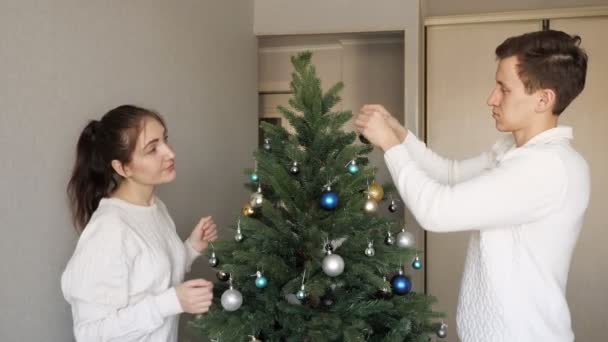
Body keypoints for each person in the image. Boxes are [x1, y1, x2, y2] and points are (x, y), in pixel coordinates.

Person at [355, 30, 589, 342]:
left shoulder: (546, 167)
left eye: (504, 89)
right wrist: (399, 135)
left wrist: (388, 145)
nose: (491, 98)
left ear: (543, 99)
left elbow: (435, 211)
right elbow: (449, 174)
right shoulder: (512, 152)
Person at [61, 105, 217, 341]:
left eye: (165, 140)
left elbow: (154, 277)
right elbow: (90, 334)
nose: (170, 153)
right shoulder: (109, 230)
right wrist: (172, 302)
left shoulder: (155, 208)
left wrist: (191, 249)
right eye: (152, 149)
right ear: (122, 167)